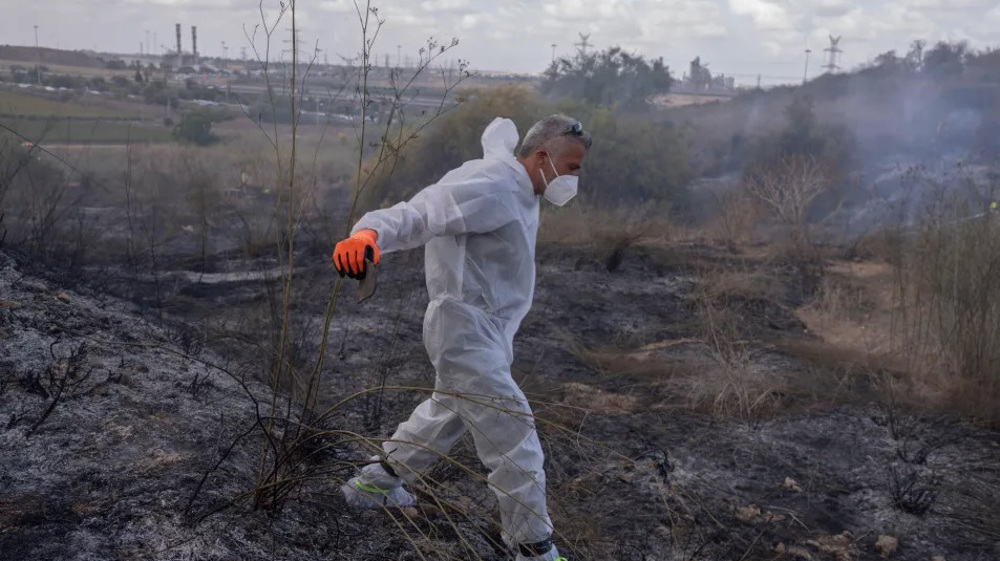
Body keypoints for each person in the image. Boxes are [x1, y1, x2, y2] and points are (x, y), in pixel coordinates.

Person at [332, 114, 591, 561]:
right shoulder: (492, 184)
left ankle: (375, 482)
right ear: (543, 156)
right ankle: (532, 547)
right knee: (511, 428)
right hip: (464, 328)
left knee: (445, 413)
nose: (574, 179)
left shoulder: (521, 188)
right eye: (571, 168)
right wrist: (369, 232)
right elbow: (422, 213)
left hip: (486, 332)